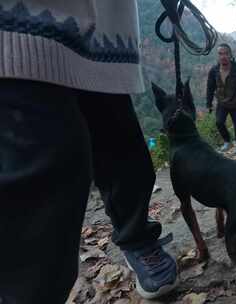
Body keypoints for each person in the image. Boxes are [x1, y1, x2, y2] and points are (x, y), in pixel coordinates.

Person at [0, 2, 178, 303]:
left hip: (106, 34)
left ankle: (137, 237)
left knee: (123, 144)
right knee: (47, 161)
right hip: (19, 28)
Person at [207, 43, 236, 155]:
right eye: (220, 54)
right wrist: (208, 103)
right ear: (218, 56)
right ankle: (227, 141)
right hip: (222, 102)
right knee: (219, 122)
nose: (223, 56)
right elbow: (210, 87)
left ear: (230, 54)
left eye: (226, 53)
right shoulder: (214, 71)